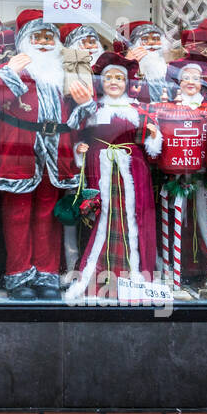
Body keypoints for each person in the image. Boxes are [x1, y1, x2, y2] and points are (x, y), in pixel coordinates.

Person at [0, 12, 94, 299]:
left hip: (56, 151)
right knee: (17, 215)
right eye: (37, 37)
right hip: (20, 150)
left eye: (48, 37)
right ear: (23, 42)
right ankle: (19, 277)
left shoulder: (64, 73)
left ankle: (46, 274)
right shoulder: (12, 69)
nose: (43, 43)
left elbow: (76, 118)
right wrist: (10, 71)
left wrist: (85, 103)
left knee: (47, 214)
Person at [65, 53, 162, 299]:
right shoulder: (93, 108)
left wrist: (153, 137)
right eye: (109, 78)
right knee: (102, 217)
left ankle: (134, 275)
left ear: (127, 83)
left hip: (132, 171)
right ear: (101, 82)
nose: (115, 82)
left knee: (133, 217)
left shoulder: (139, 109)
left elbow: (154, 150)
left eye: (120, 78)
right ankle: (96, 274)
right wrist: (80, 150)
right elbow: (78, 137)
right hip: (101, 168)